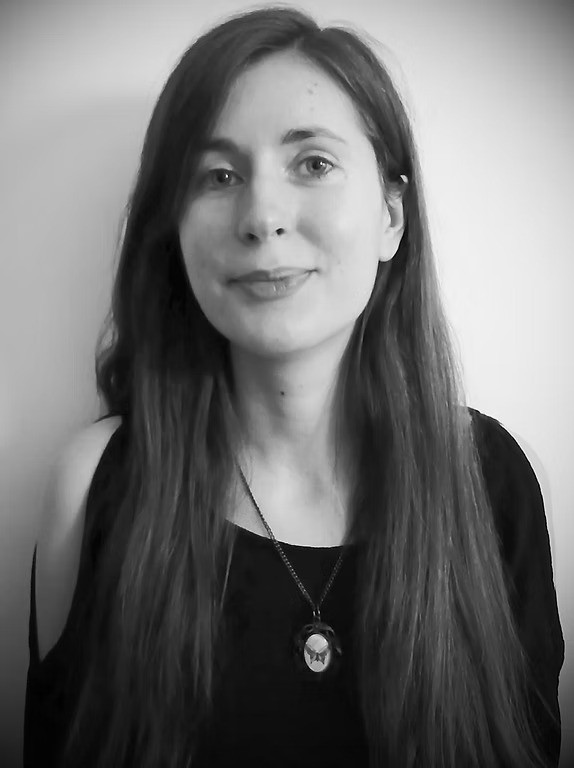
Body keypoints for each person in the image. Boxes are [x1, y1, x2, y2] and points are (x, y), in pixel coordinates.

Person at [23, 5, 564, 768]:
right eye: (218, 176)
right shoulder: (92, 486)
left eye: (312, 163)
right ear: (173, 231)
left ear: (391, 216)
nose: (263, 216)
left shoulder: (496, 483)